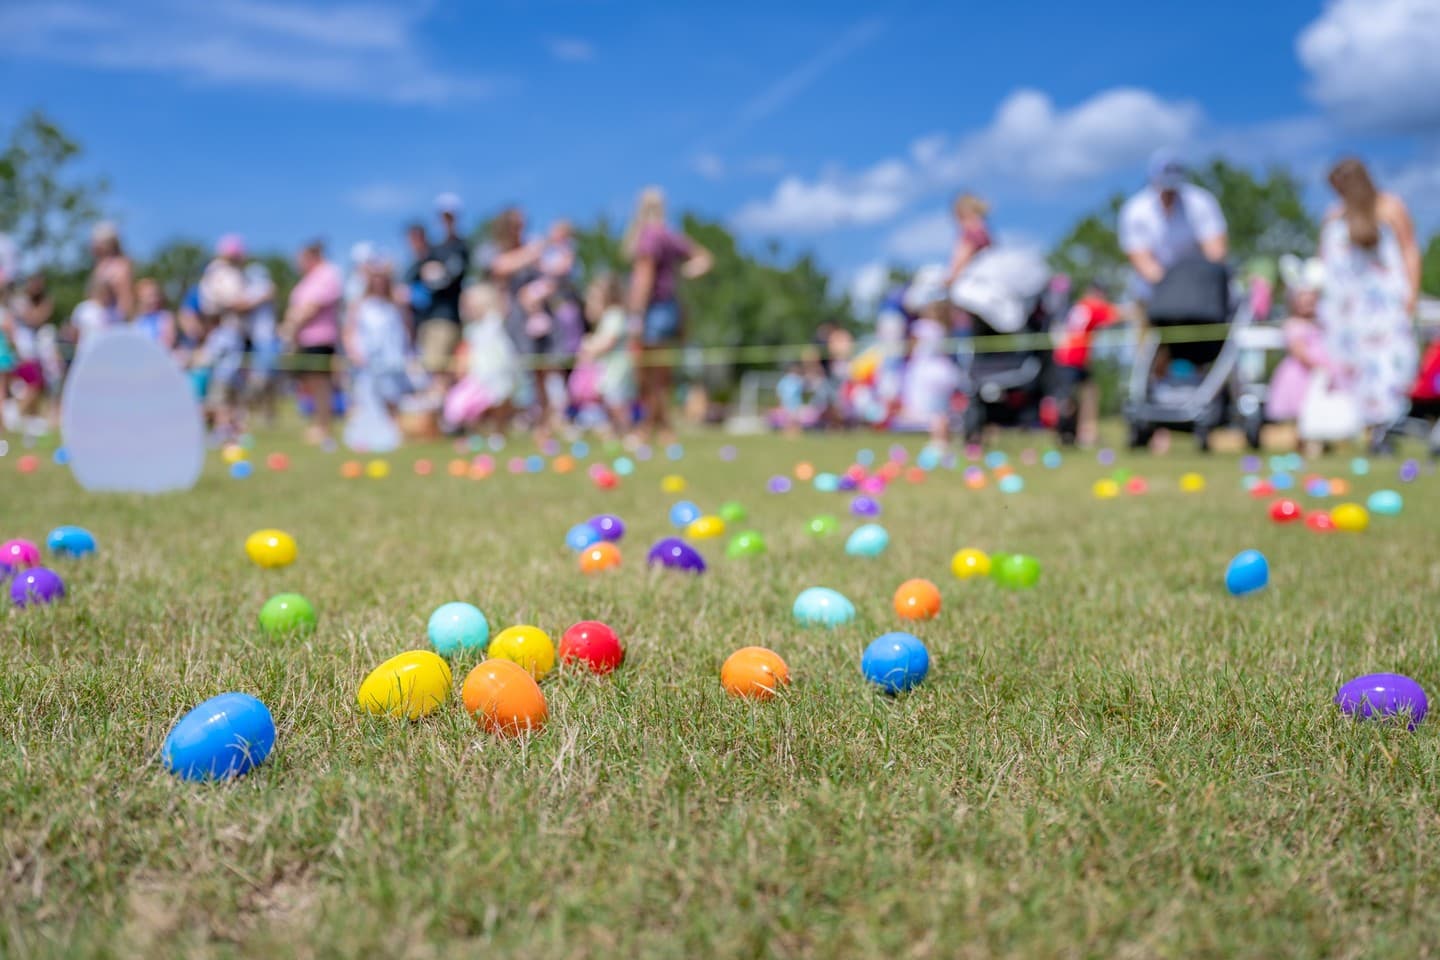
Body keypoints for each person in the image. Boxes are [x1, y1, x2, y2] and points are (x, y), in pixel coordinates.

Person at [1319, 157, 1419, 451]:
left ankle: (1386, 430)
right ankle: (1366, 431)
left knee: (1388, 368)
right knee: (1355, 368)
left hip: (1384, 307)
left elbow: (1409, 249)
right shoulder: (1334, 215)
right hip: (1350, 311)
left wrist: (1411, 295)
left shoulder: (1390, 207)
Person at [623, 187, 713, 443]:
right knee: (661, 374)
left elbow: (644, 276)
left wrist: (636, 315)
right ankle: (662, 427)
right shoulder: (669, 235)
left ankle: (648, 428)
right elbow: (704, 259)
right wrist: (684, 274)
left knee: (648, 374)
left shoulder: (649, 236)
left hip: (652, 309)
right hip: (669, 307)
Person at [1119, 149, 1228, 299]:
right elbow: (1142, 261)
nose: (1170, 193)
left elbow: (1215, 252)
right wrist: (1175, 287)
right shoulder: (1135, 210)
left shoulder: (1202, 202)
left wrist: (1197, 281)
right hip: (1153, 293)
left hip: (1201, 287)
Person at [282, 240, 343, 443]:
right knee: (309, 384)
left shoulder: (327, 273)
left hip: (320, 338)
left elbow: (311, 306)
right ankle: (317, 424)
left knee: (321, 383)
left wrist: (291, 326)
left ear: (312, 257)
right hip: (304, 340)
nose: (298, 263)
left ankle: (323, 427)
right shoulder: (308, 278)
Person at [1265, 256, 1331, 444]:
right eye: (1303, 300)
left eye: (1311, 301)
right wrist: (1320, 365)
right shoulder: (1293, 325)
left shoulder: (1321, 324)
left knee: (1319, 410)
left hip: (1319, 375)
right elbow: (1299, 351)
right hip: (1301, 375)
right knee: (1301, 412)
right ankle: (1301, 443)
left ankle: (1320, 441)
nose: (1308, 304)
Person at [443, 283, 518, 435]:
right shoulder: (472, 329)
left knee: (493, 402)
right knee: (462, 404)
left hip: (493, 374)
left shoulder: (493, 324)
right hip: (477, 375)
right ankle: (476, 432)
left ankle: (495, 432)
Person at [1052, 282, 1121, 446]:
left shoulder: (1080, 306)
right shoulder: (1091, 306)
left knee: (1089, 392)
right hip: (1072, 357)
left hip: (1072, 357)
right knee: (1069, 399)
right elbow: (1116, 315)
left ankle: (1082, 432)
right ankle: (1069, 434)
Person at [415, 194, 468, 386]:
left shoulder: (461, 246)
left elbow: (447, 277)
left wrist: (437, 273)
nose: (446, 221)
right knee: (435, 372)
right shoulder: (434, 249)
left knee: (443, 373)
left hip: (448, 318)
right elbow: (424, 275)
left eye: (450, 216)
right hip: (431, 318)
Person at [575, 272, 635, 437]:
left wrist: (590, 346)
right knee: (610, 401)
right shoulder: (608, 316)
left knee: (617, 402)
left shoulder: (615, 314)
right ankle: (617, 432)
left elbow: (609, 341)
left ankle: (627, 431)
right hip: (609, 367)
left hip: (617, 367)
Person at [942, 193, 992, 288]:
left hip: (972, 282)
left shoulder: (971, 232)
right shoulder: (984, 232)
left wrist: (951, 278)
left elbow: (964, 256)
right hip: (985, 280)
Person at [89, 221, 135, 319]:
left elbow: (126, 298)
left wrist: (124, 320)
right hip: (98, 319)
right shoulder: (99, 266)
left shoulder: (121, 265)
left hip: (114, 320)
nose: (92, 245)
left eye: (96, 241)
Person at [68, 276, 123, 353]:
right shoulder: (84, 308)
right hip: (86, 352)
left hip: (108, 352)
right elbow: (74, 332)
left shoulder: (115, 312)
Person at [131, 278, 176, 348]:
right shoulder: (136, 320)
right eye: (149, 296)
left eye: (156, 295)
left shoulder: (165, 317)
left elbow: (169, 341)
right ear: (140, 298)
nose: (153, 299)